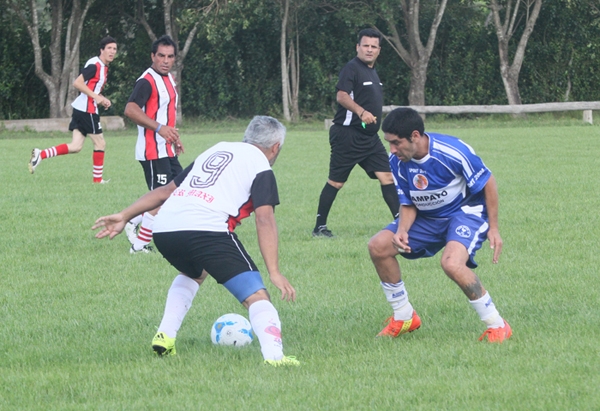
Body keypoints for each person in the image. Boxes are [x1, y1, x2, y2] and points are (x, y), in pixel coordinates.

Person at [92, 115, 300, 366]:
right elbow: (264, 219)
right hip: (205, 229)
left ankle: (165, 337)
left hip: (165, 229)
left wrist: (126, 215)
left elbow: (167, 191)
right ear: (276, 147)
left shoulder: (218, 148)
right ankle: (275, 359)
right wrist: (274, 272)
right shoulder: (261, 167)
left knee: (195, 272)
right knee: (256, 296)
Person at [368, 107, 512, 343]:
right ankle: (404, 316)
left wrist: (494, 228)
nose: (392, 149)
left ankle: (497, 324)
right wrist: (402, 230)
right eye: (389, 143)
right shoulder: (397, 161)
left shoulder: (452, 151)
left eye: (396, 142)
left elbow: (488, 182)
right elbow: (408, 201)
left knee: (452, 264)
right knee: (378, 246)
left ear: (415, 135)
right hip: (427, 217)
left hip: (464, 213)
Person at [312, 28, 399, 237]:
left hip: (369, 138)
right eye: (366, 45)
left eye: (374, 46)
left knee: (387, 176)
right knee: (336, 182)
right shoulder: (351, 68)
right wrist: (361, 112)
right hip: (347, 135)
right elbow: (341, 96)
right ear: (358, 47)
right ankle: (319, 227)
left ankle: (402, 223)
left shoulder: (373, 72)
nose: (369, 50)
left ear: (379, 50)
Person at [123, 35, 184, 254]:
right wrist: (159, 128)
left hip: (166, 149)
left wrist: (174, 137)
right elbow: (130, 109)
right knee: (161, 198)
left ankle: (132, 220)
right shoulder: (146, 81)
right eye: (161, 56)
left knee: (180, 191)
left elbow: (165, 113)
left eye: (170, 56)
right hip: (152, 152)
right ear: (152, 56)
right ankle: (139, 246)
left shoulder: (169, 78)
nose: (165, 60)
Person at [29, 36, 118, 183]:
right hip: (87, 110)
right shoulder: (95, 65)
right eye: (109, 48)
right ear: (101, 50)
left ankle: (41, 154)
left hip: (81, 108)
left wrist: (102, 98)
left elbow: (89, 87)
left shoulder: (102, 66)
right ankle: (97, 181)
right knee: (100, 143)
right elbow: (77, 83)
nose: (112, 51)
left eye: (114, 49)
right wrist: (96, 96)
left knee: (76, 146)